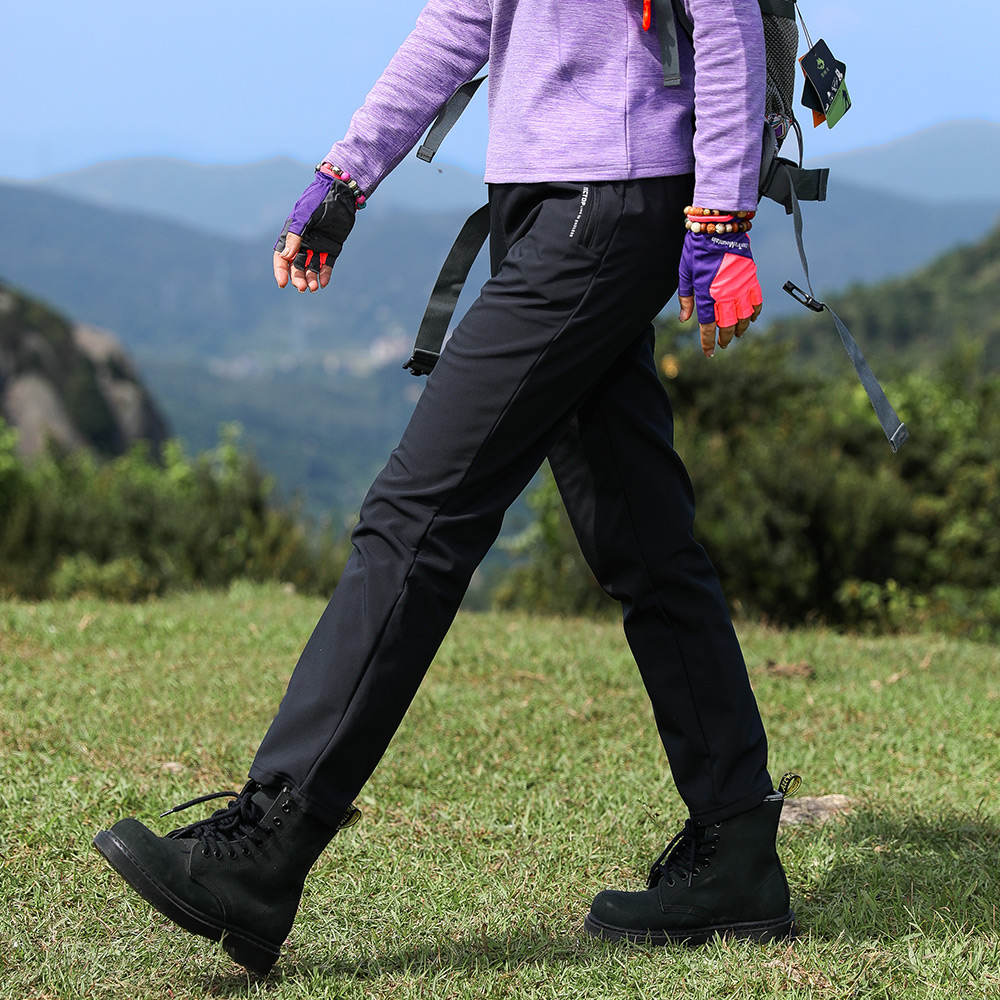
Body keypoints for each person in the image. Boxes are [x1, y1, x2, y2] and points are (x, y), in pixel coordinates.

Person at [94, 0, 794, 976]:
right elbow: (464, 17)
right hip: (548, 202)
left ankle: (264, 849)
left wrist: (721, 216)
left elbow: (720, 18)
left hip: (610, 200)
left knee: (414, 519)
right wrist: (347, 174)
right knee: (638, 533)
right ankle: (736, 847)